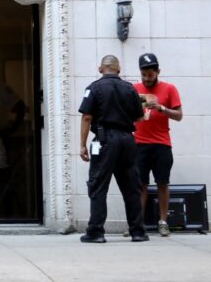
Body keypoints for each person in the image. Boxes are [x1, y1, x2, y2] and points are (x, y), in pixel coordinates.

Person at [78, 54, 148, 243]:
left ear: (101, 69)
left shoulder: (93, 88)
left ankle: (96, 232)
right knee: (131, 187)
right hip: (127, 139)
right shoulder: (130, 89)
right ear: (118, 69)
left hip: (103, 139)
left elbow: (86, 117)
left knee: (98, 185)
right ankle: (137, 232)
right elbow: (140, 118)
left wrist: (82, 145)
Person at [133, 53, 183, 237]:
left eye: (150, 75)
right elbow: (127, 113)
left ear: (158, 72)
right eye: (144, 75)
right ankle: (137, 224)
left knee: (163, 183)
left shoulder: (169, 89)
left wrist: (161, 108)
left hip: (162, 143)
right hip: (139, 144)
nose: (146, 78)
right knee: (140, 185)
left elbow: (179, 116)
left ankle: (163, 222)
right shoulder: (134, 88)